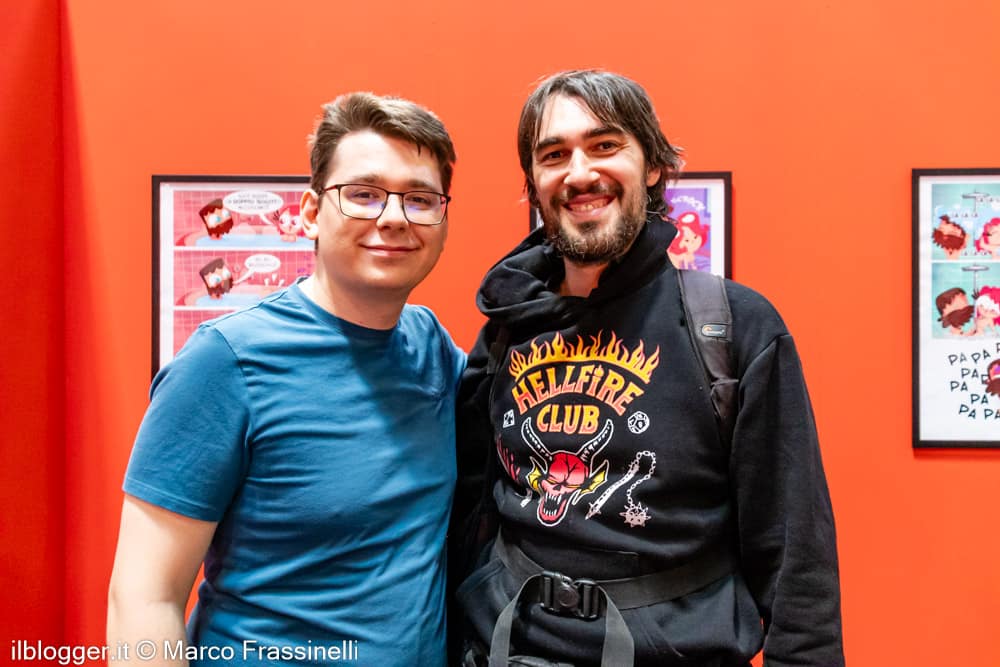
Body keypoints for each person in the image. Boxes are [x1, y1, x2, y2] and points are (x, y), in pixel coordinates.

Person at [453, 70, 843, 666]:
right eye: (554, 155)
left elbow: (796, 555)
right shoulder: (507, 329)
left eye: (605, 145)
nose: (579, 173)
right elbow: (471, 512)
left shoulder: (732, 327)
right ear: (534, 183)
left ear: (654, 166)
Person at [108, 92, 465, 666]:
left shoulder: (433, 349)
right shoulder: (224, 362)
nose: (394, 217)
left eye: (420, 199)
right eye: (364, 194)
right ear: (310, 213)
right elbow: (144, 596)